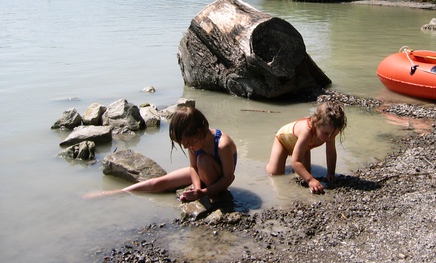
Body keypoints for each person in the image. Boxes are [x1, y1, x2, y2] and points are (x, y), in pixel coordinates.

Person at [84, 106, 237, 202]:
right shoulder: (194, 141)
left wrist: (203, 192)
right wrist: (196, 187)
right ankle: (117, 192)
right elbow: (193, 168)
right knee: (159, 183)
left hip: (217, 179)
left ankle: (214, 196)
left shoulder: (222, 144)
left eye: (188, 143)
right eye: (183, 144)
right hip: (202, 175)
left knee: (202, 160)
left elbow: (228, 177)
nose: (186, 146)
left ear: (199, 132)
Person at [266, 102, 347, 194]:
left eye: (334, 135)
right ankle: (269, 165)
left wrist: (331, 173)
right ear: (316, 123)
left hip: (304, 147)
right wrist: (311, 180)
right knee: (275, 174)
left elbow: (331, 152)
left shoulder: (329, 133)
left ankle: (296, 170)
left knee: (304, 174)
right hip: (284, 141)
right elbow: (295, 161)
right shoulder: (306, 132)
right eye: (326, 134)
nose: (329, 138)